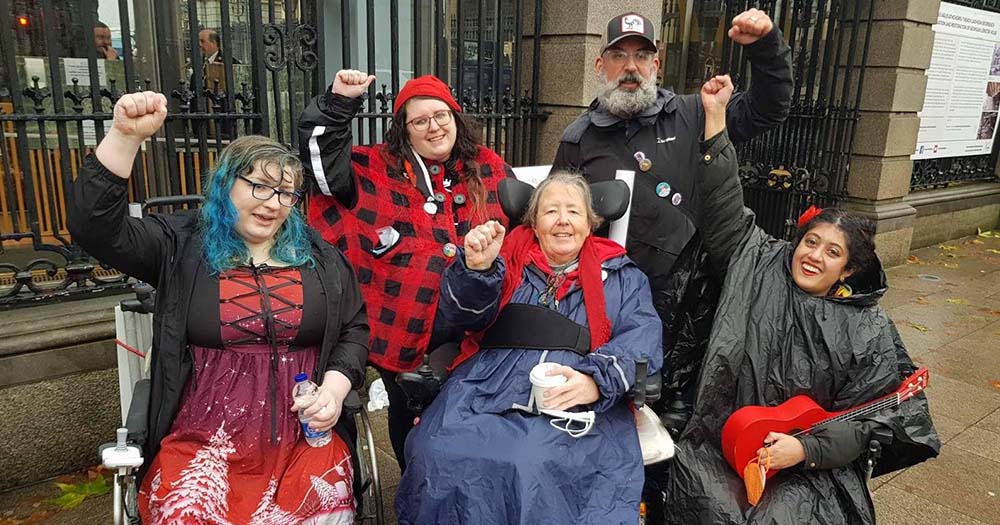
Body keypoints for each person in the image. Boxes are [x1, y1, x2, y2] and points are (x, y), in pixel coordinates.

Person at [69, 92, 369, 524]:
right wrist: (124, 137)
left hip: (304, 437)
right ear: (227, 183)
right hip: (202, 435)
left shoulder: (318, 256)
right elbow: (92, 226)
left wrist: (336, 390)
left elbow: (353, 329)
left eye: (286, 193)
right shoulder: (179, 245)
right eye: (259, 186)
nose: (272, 204)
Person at [652, 75, 940, 523]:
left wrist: (805, 449)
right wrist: (714, 117)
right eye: (811, 242)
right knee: (709, 504)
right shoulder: (756, 261)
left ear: (847, 270)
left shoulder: (868, 328)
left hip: (813, 465)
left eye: (832, 252)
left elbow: (873, 422)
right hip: (720, 441)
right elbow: (722, 200)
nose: (814, 256)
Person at [552, 10, 793, 434]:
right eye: (619, 55)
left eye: (642, 56)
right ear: (600, 64)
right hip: (611, 303)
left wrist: (766, 46)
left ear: (656, 64)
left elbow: (769, 108)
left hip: (686, 304)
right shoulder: (578, 138)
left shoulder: (694, 113)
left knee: (672, 427)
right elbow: (557, 213)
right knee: (611, 410)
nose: (631, 67)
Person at [395, 172, 663, 523]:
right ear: (534, 223)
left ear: (590, 224)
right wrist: (478, 270)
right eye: (551, 211)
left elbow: (641, 337)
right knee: (432, 448)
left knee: (529, 461)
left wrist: (595, 381)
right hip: (487, 380)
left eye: (573, 212)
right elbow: (461, 318)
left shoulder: (623, 277)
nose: (563, 220)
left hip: (571, 393)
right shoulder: (507, 263)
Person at [298, 71, 515, 470]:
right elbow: (324, 168)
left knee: (472, 412)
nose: (434, 127)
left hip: (478, 322)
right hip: (402, 327)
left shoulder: (487, 165)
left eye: (441, 115)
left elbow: (522, 232)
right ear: (405, 130)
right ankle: (415, 482)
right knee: (409, 412)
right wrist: (340, 102)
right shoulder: (375, 168)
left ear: (455, 116)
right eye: (420, 121)